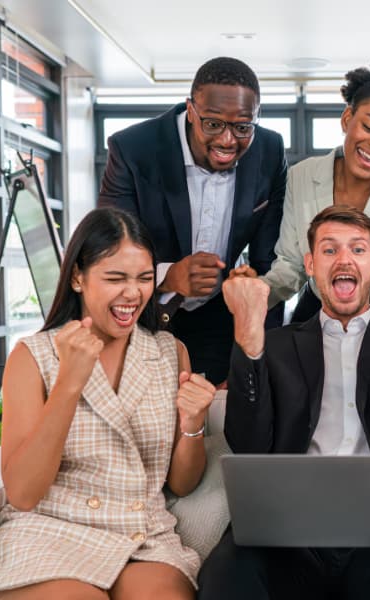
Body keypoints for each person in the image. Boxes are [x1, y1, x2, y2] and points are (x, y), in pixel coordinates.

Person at [197, 205, 370, 600]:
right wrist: (249, 336)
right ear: (309, 264)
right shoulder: (275, 345)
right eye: (329, 250)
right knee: (227, 571)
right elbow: (249, 444)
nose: (344, 259)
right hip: (288, 534)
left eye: (357, 250)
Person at [0, 207, 216, 600]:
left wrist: (194, 422)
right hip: (50, 530)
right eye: (115, 278)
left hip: (142, 536)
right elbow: (24, 493)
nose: (133, 293)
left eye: (145, 278)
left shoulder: (171, 353)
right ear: (78, 278)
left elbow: (181, 484)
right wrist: (69, 383)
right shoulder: (33, 356)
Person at [98, 56, 287, 384]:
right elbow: (109, 255)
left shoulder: (269, 151)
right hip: (142, 314)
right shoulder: (133, 149)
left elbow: (269, 263)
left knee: (216, 426)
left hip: (219, 320)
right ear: (191, 109)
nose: (228, 141)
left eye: (243, 127)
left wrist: (256, 359)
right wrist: (168, 276)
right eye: (213, 124)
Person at [259, 61, 370, 322]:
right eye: (369, 127)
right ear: (347, 119)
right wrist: (257, 293)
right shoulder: (301, 176)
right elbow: (292, 264)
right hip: (315, 313)